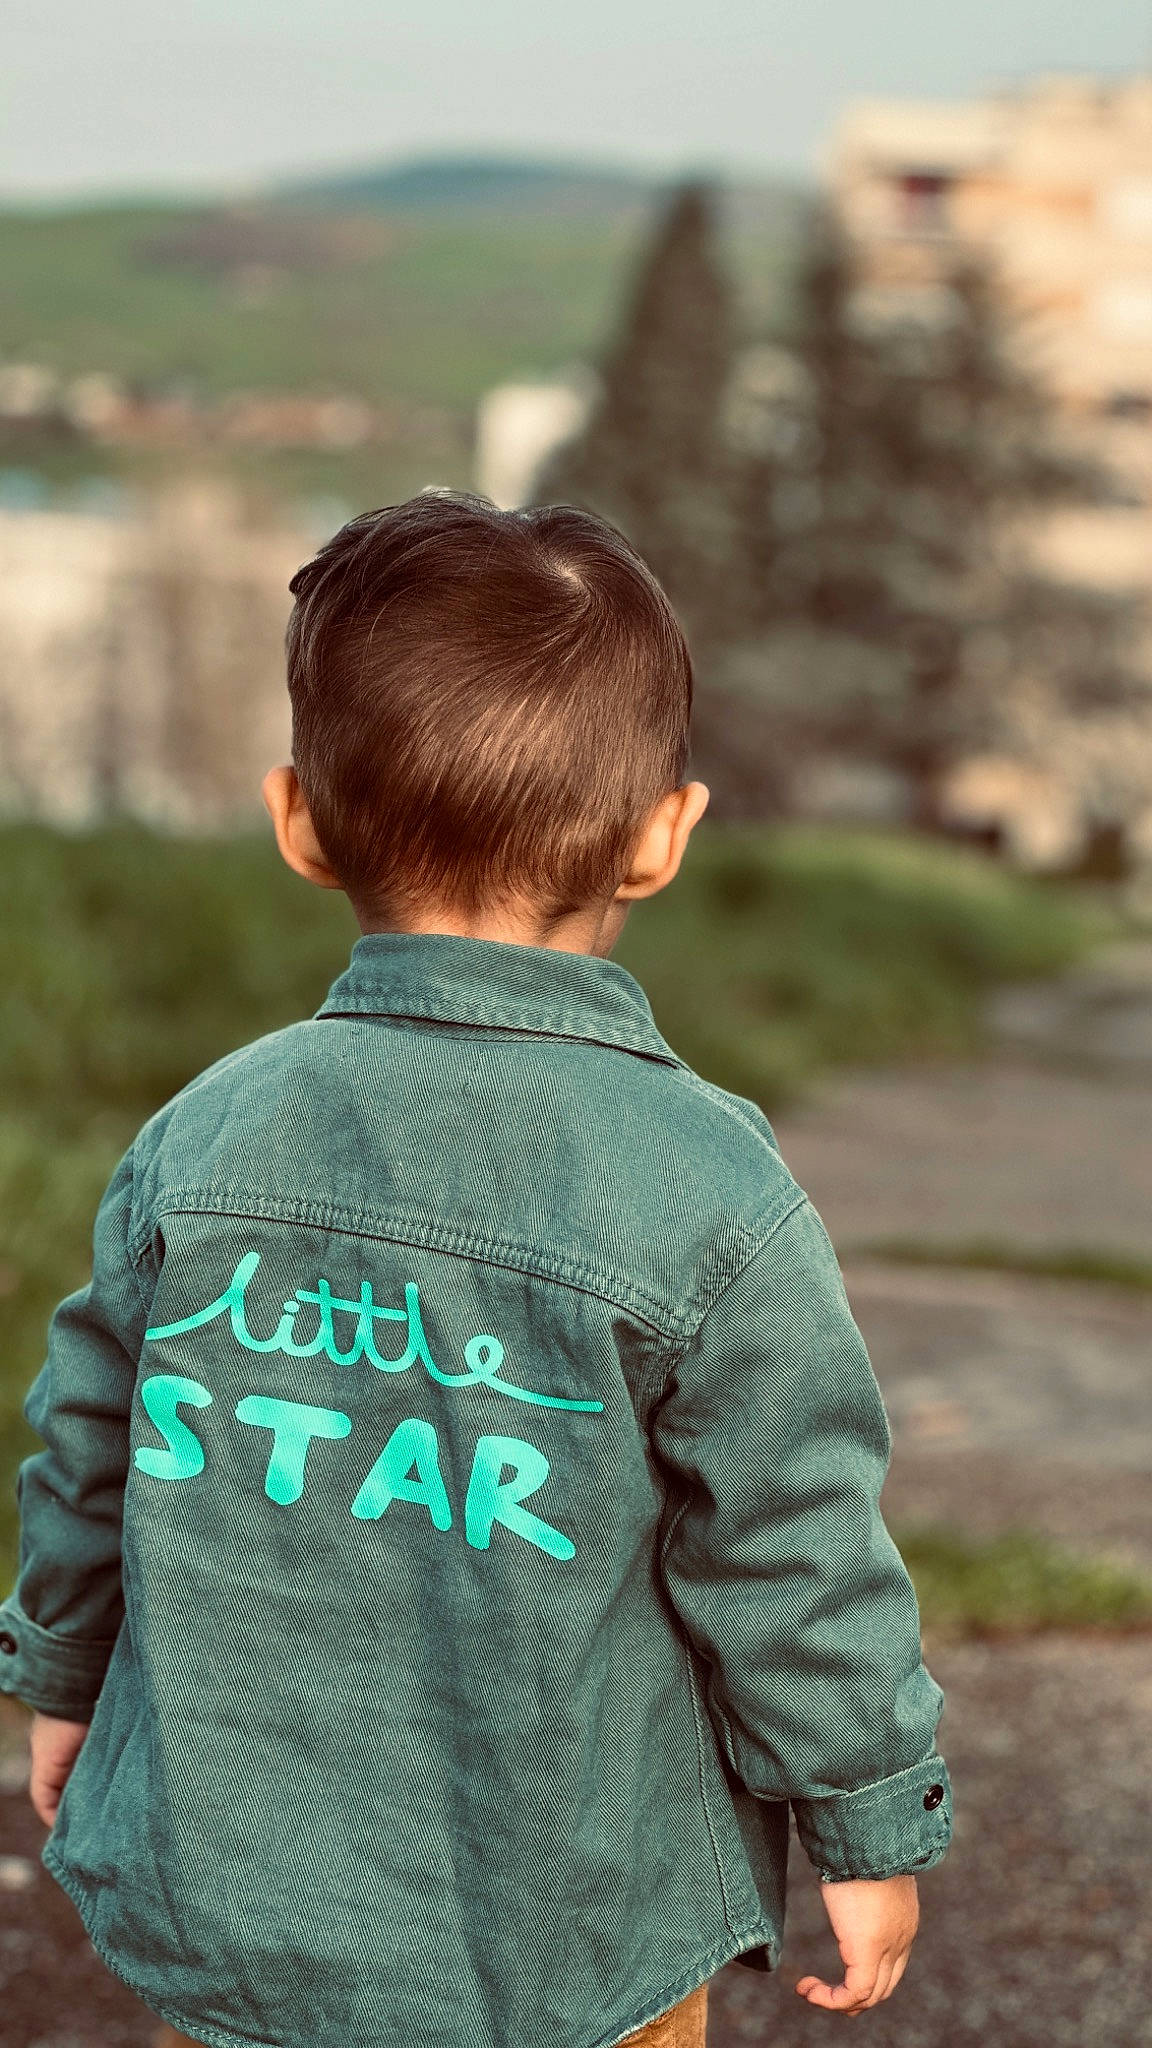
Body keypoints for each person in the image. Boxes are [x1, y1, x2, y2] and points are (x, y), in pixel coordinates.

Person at [0, 490, 951, 2048]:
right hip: (574, 1937)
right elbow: (790, 1544)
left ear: (299, 820)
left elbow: (88, 1442)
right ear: (662, 836)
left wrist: (64, 1676)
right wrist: (864, 1816)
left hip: (244, 1912)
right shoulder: (710, 1189)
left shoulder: (199, 1137)